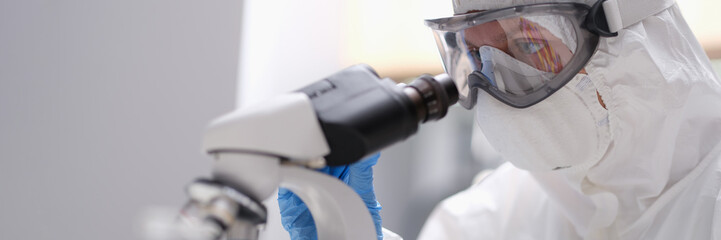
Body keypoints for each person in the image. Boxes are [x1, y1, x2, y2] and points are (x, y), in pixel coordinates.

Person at [280, 0, 721, 239]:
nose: (495, 86)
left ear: (626, 44)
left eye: (530, 48)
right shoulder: (489, 219)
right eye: (474, 55)